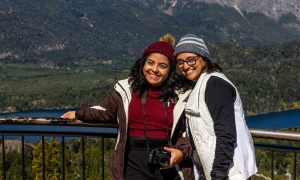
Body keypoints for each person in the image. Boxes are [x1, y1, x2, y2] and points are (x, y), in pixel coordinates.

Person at [61, 34, 194, 180]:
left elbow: (191, 131)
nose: (154, 69)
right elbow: (104, 110)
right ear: (143, 64)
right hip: (133, 162)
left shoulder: (181, 96)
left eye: (162, 66)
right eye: (150, 63)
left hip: (169, 160)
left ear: (170, 70)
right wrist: (79, 113)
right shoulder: (127, 90)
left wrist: (181, 152)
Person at [174, 33, 257, 180]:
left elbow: (225, 133)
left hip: (227, 174)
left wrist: (218, 173)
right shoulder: (203, 84)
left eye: (191, 59)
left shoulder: (215, 84)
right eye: (180, 62)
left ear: (204, 58)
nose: (185, 66)